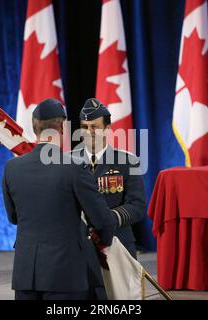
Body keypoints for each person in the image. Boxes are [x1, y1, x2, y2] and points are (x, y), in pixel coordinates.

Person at [2, 98, 117, 300]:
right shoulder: (74, 167)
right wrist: (103, 244)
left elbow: (13, 217)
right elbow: (102, 220)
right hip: (65, 276)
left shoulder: (12, 168)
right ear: (63, 127)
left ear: (34, 128)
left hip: (26, 274)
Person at [71, 98, 146, 299]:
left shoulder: (128, 161)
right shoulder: (66, 161)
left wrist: (106, 220)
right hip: (79, 249)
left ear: (107, 128)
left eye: (95, 127)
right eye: (84, 127)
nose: (89, 132)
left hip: (116, 245)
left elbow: (137, 206)